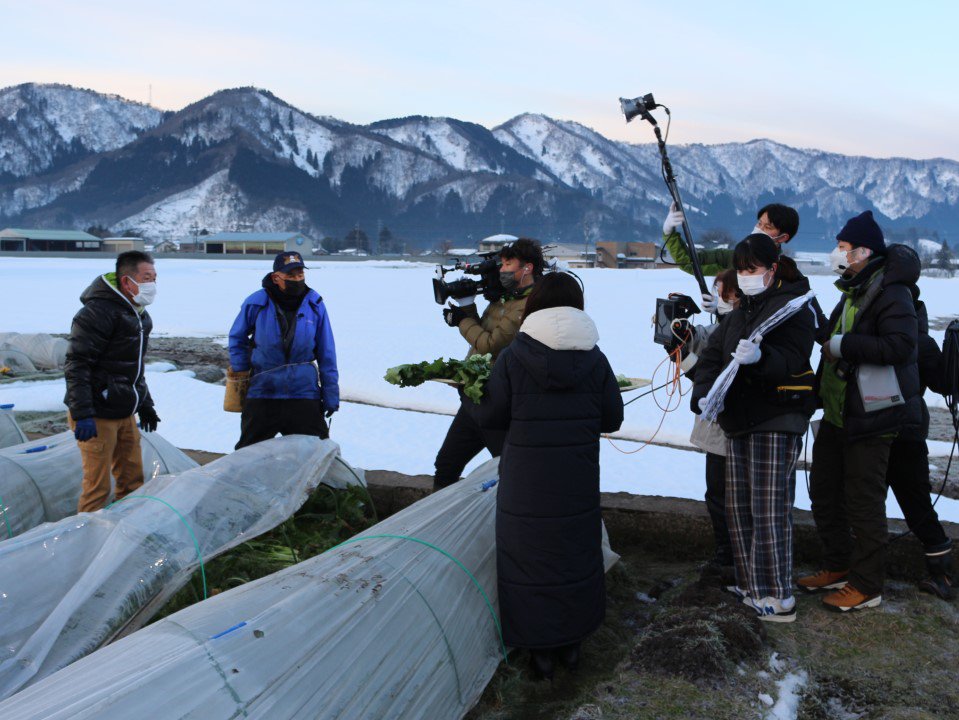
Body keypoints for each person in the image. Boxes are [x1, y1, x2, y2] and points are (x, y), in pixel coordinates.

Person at [478, 272, 624, 679]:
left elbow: (491, 416)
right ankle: (572, 646)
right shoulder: (596, 358)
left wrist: (472, 397)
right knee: (574, 557)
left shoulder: (513, 356)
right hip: (576, 481)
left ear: (534, 305)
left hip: (525, 484)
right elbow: (612, 416)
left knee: (528, 562)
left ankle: (539, 653)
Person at [691, 234, 817, 623]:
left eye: (752, 270)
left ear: (772, 269)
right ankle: (750, 584)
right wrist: (702, 392)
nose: (745, 277)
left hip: (776, 418)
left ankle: (778, 594)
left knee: (769, 508)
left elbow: (794, 357)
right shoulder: (741, 311)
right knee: (739, 507)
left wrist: (763, 357)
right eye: (741, 270)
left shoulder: (794, 307)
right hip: (738, 420)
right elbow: (712, 355)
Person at [800, 211, 921, 612]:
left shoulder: (891, 292)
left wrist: (844, 345)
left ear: (863, 252)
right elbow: (836, 338)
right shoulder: (853, 290)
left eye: (843, 247)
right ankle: (837, 565)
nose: (837, 253)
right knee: (824, 493)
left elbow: (901, 347)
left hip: (872, 417)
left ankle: (868, 585)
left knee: (863, 501)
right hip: (838, 413)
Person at [432, 238, 545, 491]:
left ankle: (510, 525)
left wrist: (462, 320)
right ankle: (442, 524)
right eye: (501, 263)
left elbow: (489, 344)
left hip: (498, 406)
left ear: (527, 268)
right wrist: (466, 307)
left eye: (508, 264)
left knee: (511, 473)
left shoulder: (527, 306)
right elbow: (481, 333)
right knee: (446, 465)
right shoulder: (504, 298)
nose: (502, 270)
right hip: (474, 400)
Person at [64, 250, 161, 512]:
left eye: (155, 277)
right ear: (127, 281)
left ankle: (125, 535)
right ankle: (88, 541)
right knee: (97, 488)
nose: (152, 284)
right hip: (96, 412)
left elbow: (134, 367)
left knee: (132, 480)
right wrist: (82, 412)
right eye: (147, 277)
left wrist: (145, 403)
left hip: (124, 410)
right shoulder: (97, 312)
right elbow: (77, 364)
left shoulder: (139, 314)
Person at [228, 251, 339, 449]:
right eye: (291, 276)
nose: (297, 279)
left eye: (300, 275)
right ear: (276, 277)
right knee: (249, 453)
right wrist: (242, 371)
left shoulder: (315, 304)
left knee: (316, 452)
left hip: (304, 393)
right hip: (263, 390)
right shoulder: (256, 302)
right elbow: (237, 337)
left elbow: (326, 351)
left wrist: (331, 393)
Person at [673, 269, 740, 584]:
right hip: (717, 433)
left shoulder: (743, 329)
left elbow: (711, 376)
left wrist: (685, 359)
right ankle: (725, 555)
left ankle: (731, 559)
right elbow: (699, 341)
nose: (718, 299)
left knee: (726, 498)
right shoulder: (720, 328)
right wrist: (677, 331)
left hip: (731, 430)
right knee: (717, 496)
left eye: (723, 293)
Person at [886, 290, 952, 598]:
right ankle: (942, 574)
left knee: (914, 503)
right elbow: (943, 383)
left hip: (903, 432)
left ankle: (944, 574)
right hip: (906, 429)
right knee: (915, 502)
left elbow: (944, 383)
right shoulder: (921, 340)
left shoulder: (919, 342)